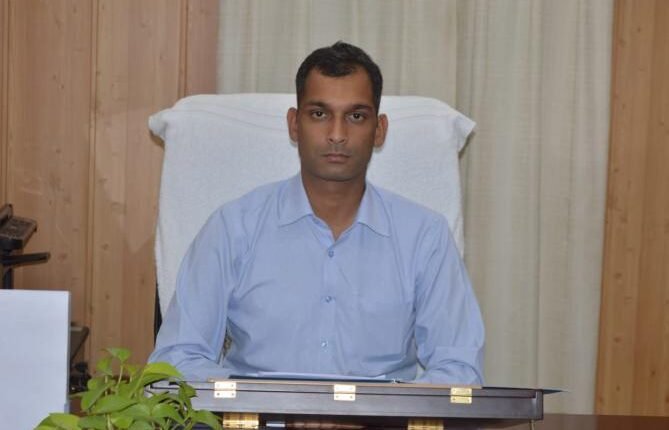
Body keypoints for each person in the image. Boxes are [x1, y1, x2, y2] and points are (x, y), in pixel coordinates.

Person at [150, 41, 484, 384]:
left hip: (383, 414)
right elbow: (177, 359)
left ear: (379, 130)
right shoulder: (233, 228)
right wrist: (256, 403)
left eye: (356, 116)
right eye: (319, 114)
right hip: (256, 412)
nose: (337, 135)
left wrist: (380, 408)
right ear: (294, 124)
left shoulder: (424, 236)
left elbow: (459, 369)